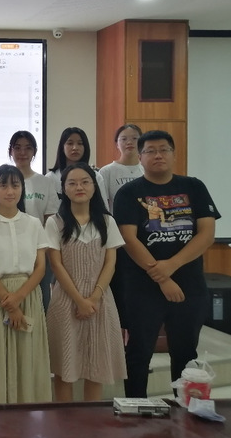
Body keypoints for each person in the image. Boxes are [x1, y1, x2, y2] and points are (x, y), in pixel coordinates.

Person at [113, 130, 219, 398]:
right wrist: (162, 277)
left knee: (185, 352)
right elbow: (128, 239)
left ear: (173, 154)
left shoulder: (194, 187)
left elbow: (206, 234)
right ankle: (135, 409)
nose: (157, 155)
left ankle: (184, 408)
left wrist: (170, 266)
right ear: (140, 157)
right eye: (150, 151)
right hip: (142, 287)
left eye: (163, 149)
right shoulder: (129, 193)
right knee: (138, 352)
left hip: (189, 286)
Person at [0, 165, 51, 405]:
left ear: (22, 189)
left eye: (15, 185)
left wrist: (18, 299)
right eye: (3, 185)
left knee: (27, 356)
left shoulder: (33, 224)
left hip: (28, 296)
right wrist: (10, 304)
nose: (9, 191)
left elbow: (40, 268)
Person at [45, 163, 127, 402]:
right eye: (72, 183)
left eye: (85, 182)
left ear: (94, 186)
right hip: (65, 300)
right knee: (64, 369)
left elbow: (110, 263)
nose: (79, 187)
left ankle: (91, 420)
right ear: (64, 189)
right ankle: (64, 419)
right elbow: (56, 265)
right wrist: (79, 301)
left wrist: (93, 298)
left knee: (96, 367)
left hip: (100, 300)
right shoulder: (55, 223)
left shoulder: (107, 222)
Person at [97, 124, 143, 332]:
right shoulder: (107, 172)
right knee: (121, 289)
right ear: (117, 143)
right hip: (119, 240)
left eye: (134, 138)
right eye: (124, 138)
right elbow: (104, 209)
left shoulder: (146, 170)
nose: (129, 142)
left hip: (146, 238)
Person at [8, 130, 55, 311]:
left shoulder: (45, 182)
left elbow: (49, 220)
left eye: (28, 148)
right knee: (12, 298)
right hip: (9, 248)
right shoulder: (2, 180)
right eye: (17, 147)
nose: (22, 152)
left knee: (41, 299)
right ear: (11, 151)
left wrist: (44, 250)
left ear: (34, 151)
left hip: (38, 250)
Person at [45, 127, 105, 209]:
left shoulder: (96, 176)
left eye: (80, 143)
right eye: (70, 143)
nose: (75, 148)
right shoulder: (51, 178)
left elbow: (102, 208)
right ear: (62, 147)